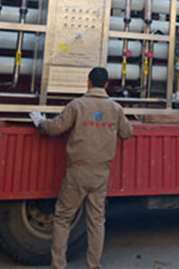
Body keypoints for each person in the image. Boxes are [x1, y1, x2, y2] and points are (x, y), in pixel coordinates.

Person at [30, 66, 133, 269]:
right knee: (96, 221)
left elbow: (56, 128)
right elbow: (126, 133)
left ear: (88, 82)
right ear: (106, 85)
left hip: (77, 172)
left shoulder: (77, 105)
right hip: (100, 173)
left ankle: (58, 265)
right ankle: (93, 265)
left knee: (63, 218)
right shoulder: (115, 109)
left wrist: (40, 122)